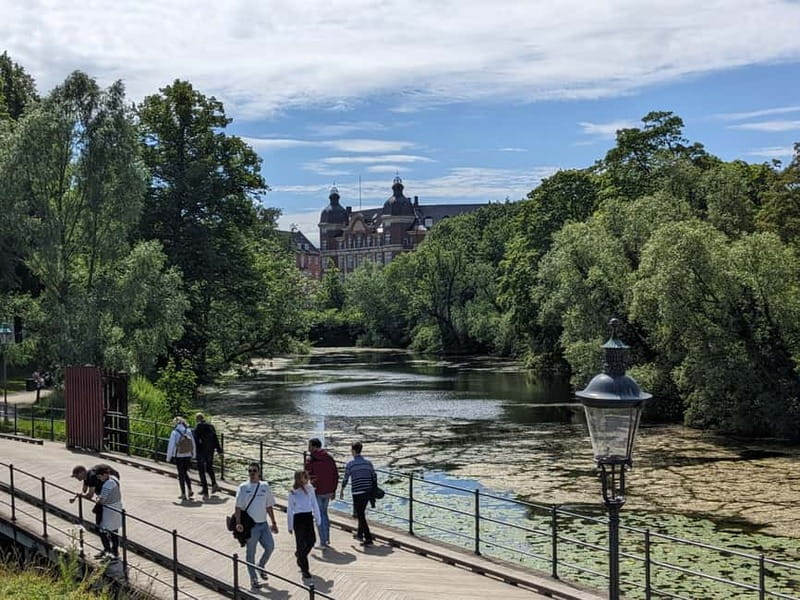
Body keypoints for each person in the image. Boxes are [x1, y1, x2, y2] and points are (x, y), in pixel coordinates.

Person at [235, 462, 279, 591]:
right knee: (251, 553)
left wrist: (274, 523)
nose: (252, 473)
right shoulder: (243, 487)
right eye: (250, 471)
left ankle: (261, 565)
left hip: (263, 524)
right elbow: (238, 507)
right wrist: (238, 523)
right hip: (251, 526)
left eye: (254, 471)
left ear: (259, 472)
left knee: (270, 547)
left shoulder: (265, 486)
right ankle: (253, 579)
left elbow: (269, 506)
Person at [70, 464, 121, 559]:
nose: (76, 478)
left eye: (77, 475)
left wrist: (82, 496)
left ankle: (109, 551)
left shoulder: (98, 480)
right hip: (113, 506)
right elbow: (85, 489)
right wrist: (84, 487)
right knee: (112, 529)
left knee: (102, 528)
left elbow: (90, 495)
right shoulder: (91, 476)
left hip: (108, 507)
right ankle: (112, 551)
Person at [339, 442, 376, 546]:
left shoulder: (350, 464)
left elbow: (346, 478)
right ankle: (360, 534)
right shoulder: (368, 463)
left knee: (360, 515)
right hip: (368, 491)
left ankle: (368, 538)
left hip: (357, 491)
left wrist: (342, 489)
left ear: (354, 451)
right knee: (361, 512)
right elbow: (373, 476)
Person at [304, 438, 338, 549]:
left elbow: (306, 474)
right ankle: (326, 538)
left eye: (309, 446)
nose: (308, 448)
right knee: (324, 513)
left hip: (317, 490)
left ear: (314, 447)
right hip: (328, 490)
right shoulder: (329, 458)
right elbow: (335, 474)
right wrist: (334, 490)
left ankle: (323, 542)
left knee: (318, 515)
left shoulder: (311, 459)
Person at [287, 470, 320, 580]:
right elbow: (290, 509)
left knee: (312, 540)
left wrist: (318, 518)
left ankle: (300, 555)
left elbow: (314, 504)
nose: (306, 478)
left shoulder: (310, 489)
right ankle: (305, 570)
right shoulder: (293, 492)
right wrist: (290, 525)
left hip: (308, 517)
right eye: (303, 477)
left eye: (306, 476)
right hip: (298, 518)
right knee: (300, 543)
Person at [95, 465, 123, 560]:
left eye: (100, 477)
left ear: (105, 474)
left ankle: (107, 551)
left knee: (102, 531)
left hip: (109, 511)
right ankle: (115, 552)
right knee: (114, 531)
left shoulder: (107, 485)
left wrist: (97, 499)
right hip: (117, 508)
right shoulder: (114, 479)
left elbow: (102, 500)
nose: (99, 479)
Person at [193, 412, 223, 498]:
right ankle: (214, 484)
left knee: (201, 470)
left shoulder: (198, 427)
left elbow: (195, 440)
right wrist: (219, 450)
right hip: (210, 451)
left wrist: (193, 451)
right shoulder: (211, 426)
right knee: (209, 468)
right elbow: (215, 439)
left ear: (197, 419)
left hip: (201, 451)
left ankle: (205, 490)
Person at [166, 416, 196, 500]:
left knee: (181, 474)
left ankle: (183, 493)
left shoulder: (174, 432)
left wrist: (168, 457)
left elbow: (171, 445)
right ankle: (190, 489)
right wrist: (193, 454)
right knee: (185, 472)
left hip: (179, 455)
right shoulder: (188, 431)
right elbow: (193, 443)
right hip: (188, 454)